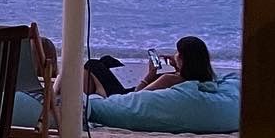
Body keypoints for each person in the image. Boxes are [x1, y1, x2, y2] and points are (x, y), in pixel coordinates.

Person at [85, 35, 216, 97]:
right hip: (137, 91)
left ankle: (92, 98)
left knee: (93, 64)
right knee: (107, 60)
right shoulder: (204, 76)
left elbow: (137, 96)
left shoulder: (169, 79)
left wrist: (150, 74)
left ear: (182, 58)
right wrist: (178, 68)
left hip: (123, 97)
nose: (174, 55)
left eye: (177, 53)